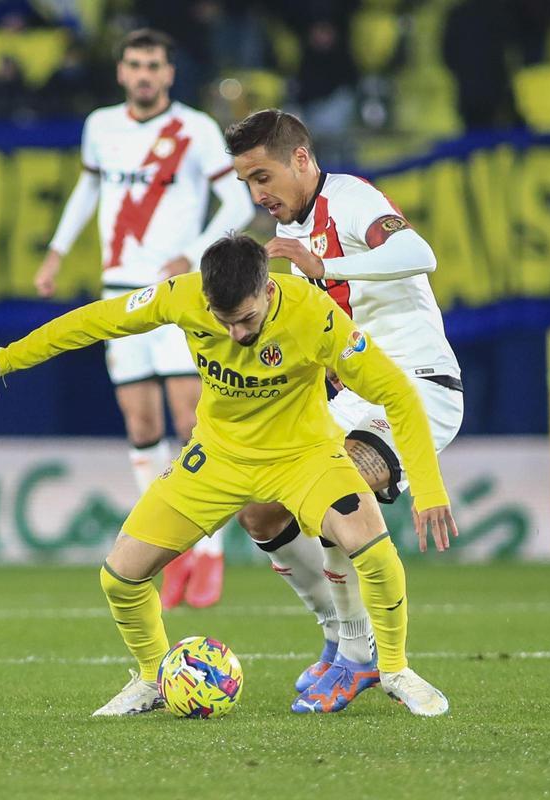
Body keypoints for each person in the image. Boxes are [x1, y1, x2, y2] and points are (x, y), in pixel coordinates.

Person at [0, 234, 459, 717]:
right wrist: (4, 360)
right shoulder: (183, 295)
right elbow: (95, 321)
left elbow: (396, 391)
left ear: (268, 289)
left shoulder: (315, 314)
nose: (238, 334)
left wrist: (429, 489)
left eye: (246, 319)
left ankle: (394, 670)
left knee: (371, 544)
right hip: (217, 458)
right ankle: (153, 678)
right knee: (120, 577)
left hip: (303, 456)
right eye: (225, 323)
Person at [225, 109, 464, 713]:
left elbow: (420, 253)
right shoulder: (289, 236)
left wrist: (326, 265)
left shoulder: (351, 199)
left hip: (417, 386)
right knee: (259, 509)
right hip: (352, 399)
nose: (259, 194)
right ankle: (337, 635)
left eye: (264, 176)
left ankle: (362, 655)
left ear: (301, 159)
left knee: (338, 487)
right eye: (247, 183)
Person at [32, 28, 255, 609]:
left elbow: (237, 201)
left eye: (154, 64)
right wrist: (57, 251)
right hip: (118, 293)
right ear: (121, 72)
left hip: (179, 295)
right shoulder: (101, 126)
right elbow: (88, 187)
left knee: (191, 418)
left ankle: (209, 551)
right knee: (139, 422)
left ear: (170, 73)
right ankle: (170, 545)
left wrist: (201, 251)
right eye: (135, 64)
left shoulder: (196, 130)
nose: (145, 74)